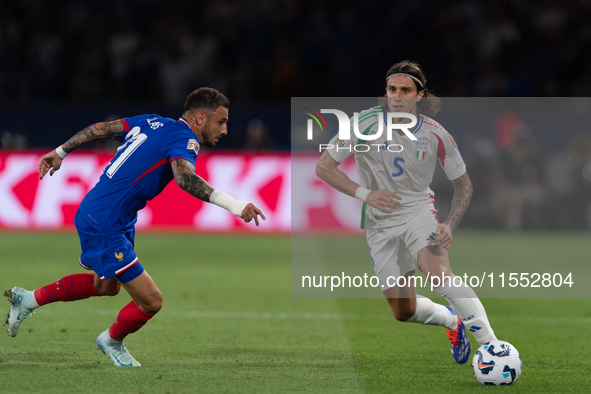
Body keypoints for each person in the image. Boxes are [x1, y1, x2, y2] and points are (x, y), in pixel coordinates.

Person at [4, 87, 266, 367]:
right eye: (221, 121)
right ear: (200, 118)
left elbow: (100, 129)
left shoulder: (152, 121)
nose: (225, 129)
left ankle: (28, 299)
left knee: (106, 287)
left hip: (111, 216)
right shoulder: (185, 138)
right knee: (151, 301)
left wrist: (60, 151)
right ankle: (111, 341)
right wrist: (235, 205)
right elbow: (184, 179)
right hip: (106, 223)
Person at [315, 60, 497, 364]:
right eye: (391, 89)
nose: (397, 96)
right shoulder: (363, 124)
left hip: (418, 212)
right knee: (404, 311)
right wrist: (366, 194)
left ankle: (492, 346)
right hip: (379, 222)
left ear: (419, 95)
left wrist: (449, 224)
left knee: (439, 276)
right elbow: (324, 167)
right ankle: (451, 321)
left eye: (405, 90)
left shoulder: (436, 134)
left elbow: (463, 184)